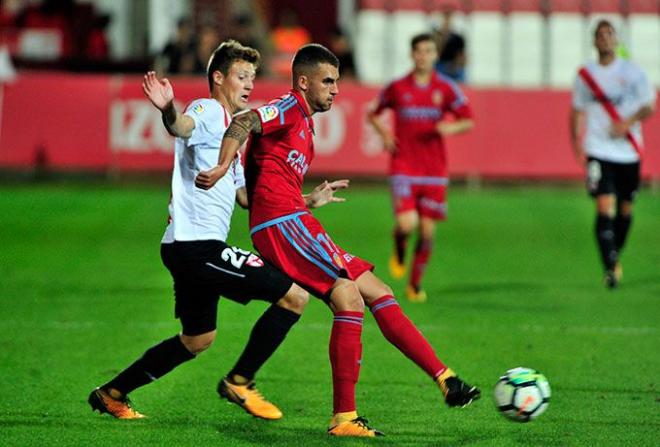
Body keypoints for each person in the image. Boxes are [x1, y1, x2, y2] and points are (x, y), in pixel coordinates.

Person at [196, 43, 480, 438]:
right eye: (328, 81)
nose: (335, 90)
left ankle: (445, 379)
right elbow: (242, 122)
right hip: (284, 224)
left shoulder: (306, 126)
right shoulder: (289, 107)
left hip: (292, 217)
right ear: (303, 81)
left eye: (337, 82)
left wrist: (309, 199)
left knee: (376, 290)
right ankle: (344, 417)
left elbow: (262, 183)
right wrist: (224, 165)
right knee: (348, 296)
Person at [88, 40, 346, 421]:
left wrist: (305, 201)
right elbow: (180, 126)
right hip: (197, 247)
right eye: (241, 77)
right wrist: (168, 109)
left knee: (198, 339)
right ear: (218, 77)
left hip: (188, 247)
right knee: (294, 297)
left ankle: (111, 393)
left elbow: (246, 199)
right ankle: (240, 381)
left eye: (252, 78)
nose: (248, 86)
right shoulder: (208, 110)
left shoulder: (230, 136)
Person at [367, 33, 474, 302]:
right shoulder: (398, 87)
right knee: (407, 224)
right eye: (419, 51)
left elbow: (468, 119)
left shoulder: (446, 88)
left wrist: (449, 126)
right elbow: (373, 113)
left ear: (435, 55)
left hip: (434, 169)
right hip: (404, 164)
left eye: (429, 51)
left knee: (427, 231)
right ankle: (399, 245)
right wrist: (385, 134)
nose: (424, 56)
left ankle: (414, 285)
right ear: (412, 55)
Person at [570, 20, 656, 289]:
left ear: (616, 40)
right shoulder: (585, 75)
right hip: (598, 149)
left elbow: (650, 105)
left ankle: (613, 256)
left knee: (626, 210)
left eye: (610, 34)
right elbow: (576, 109)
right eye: (600, 35)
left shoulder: (632, 72)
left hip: (628, 151)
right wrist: (577, 143)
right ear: (594, 42)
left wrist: (627, 124)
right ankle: (610, 266)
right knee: (604, 206)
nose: (605, 39)